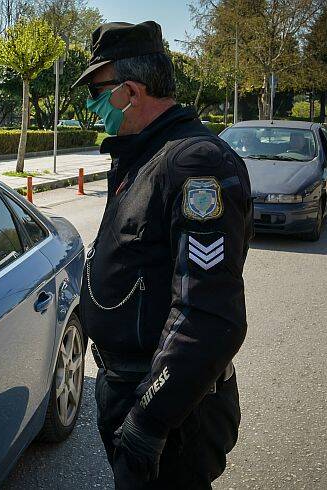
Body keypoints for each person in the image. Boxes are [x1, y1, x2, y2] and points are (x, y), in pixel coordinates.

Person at [71, 21, 254, 488]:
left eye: (96, 90)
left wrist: (149, 420)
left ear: (130, 91)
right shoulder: (142, 156)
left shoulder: (195, 163)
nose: (92, 105)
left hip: (170, 409)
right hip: (125, 387)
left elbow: (208, 314)